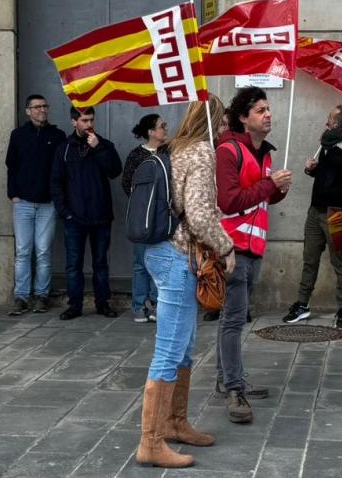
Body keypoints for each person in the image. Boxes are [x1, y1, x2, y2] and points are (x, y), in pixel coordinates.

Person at [135, 97, 235, 469]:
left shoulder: (174, 149)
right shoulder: (201, 152)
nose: (225, 129)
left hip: (163, 252)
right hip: (177, 257)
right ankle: (151, 442)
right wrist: (226, 246)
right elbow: (198, 214)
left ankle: (175, 423)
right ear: (213, 122)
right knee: (169, 351)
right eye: (223, 122)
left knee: (184, 347)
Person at [215, 86, 290, 424]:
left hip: (254, 247)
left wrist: (277, 191)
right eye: (260, 110)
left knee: (234, 318)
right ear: (244, 118)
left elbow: (259, 198)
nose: (268, 114)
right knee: (233, 319)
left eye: (268, 108)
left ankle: (228, 378)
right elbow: (230, 201)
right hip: (233, 249)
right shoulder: (229, 151)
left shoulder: (266, 154)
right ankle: (233, 388)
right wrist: (270, 185)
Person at [283, 104, 342, 328]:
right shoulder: (329, 143)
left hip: (336, 213)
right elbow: (328, 175)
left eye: (329, 119)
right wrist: (314, 170)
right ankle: (302, 305)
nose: (326, 122)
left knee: (339, 261)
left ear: (337, 124)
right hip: (315, 211)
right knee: (309, 259)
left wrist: (331, 194)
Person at [51, 106, 123, 320]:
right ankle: (75, 305)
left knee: (101, 263)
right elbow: (56, 182)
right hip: (75, 218)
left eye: (91, 119)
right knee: (74, 264)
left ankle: (103, 303)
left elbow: (114, 171)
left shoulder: (104, 145)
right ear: (74, 122)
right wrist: (65, 212)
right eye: (84, 120)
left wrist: (99, 148)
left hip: (100, 217)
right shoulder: (64, 148)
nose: (89, 124)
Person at [5, 94, 66, 316]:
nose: (42, 110)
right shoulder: (19, 135)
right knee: (22, 251)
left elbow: (62, 170)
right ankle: (21, 296)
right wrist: (13, 194)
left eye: (44, 106)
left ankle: (41, 295)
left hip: (47, 204)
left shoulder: (58, 136)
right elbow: (11, 166)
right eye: (36, 107)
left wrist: (57, 198)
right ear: (28, 111)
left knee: (43, 251)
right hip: (22, 203)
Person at [122, 113, 167, 323]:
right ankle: (139, 306)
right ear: (150, 131)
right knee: (140, 263)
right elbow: (126, 184)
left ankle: (158, 305)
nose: (165, 130)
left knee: (160, 260)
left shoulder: (168, 153)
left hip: (162, 216)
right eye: (161, 126)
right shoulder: (136, 156)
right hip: (142, 216)